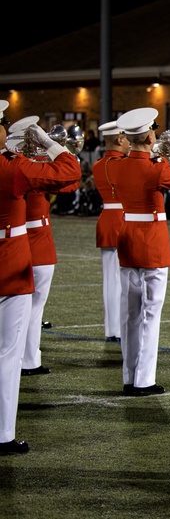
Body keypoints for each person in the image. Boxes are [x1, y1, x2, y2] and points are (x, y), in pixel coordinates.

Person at [0, 107, 81, 455]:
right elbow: (71, 169)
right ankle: (2, 434)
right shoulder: (10, 167)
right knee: (7, 354)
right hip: (9, 266)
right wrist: (48, 142)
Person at [107, 108, 170, 396]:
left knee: (129, 313)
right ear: (147, 135)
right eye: (153, 129)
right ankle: (144, 379)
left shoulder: (116, 166)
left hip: (127, 239)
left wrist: (157, 155)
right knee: (150, 313)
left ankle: (129, 376)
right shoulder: (156, 167)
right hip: (152, 241)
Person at [15, 120, 80, 376]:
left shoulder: (19, 165)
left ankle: (27, 358)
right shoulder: (26, 168)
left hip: (16, 240)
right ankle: (28, 359)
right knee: (33, 306)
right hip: (37, 240)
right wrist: (57, 150)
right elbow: (71, 181)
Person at [91, 120, 128, 345]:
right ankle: (117, 328)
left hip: (107, 219)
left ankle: (111, 327)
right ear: (120, 139)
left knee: (110, 280)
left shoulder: (98, 165)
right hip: (121, 220)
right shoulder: (121, 164)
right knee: (121, 281)